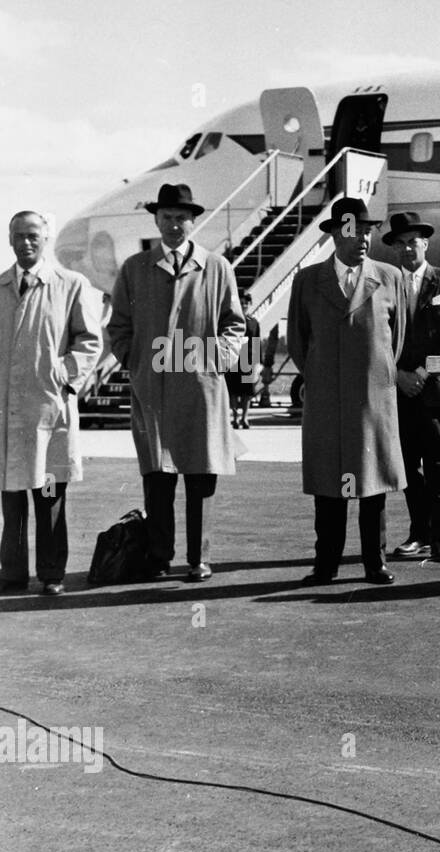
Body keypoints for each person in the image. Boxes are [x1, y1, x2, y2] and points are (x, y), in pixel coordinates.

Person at [107, 183, 243, 583]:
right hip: (153, 393)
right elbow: (118, 326)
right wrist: (136, 361)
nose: (174, 225)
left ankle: (199, 559)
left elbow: (234, 325)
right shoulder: (135, 268)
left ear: (193, 221)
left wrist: (217, 359)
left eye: (182, 218)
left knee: (201, 478)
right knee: (158, 479)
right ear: (156, 219)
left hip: (200, 391)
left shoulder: (217, 267)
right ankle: (159, 555)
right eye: (166, 217)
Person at [287, 197, 407, 585]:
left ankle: (376, 563)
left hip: (373, 398)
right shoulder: (307, 280)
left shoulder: (390, 277)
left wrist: (376, 373)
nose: (365, 238)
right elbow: (298, 341)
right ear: (337, 233)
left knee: (373, 486)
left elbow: (397, 339)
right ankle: (326, 565)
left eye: (369, 231)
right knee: (330, 487)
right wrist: (323, 379)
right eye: (357, 230)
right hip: (326, 401)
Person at [0, 211, 102, 596]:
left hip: (48, 412)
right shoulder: (1, 286)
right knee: (11, 501)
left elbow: (90, 341)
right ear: (10, 240)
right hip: (8, 415)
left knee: (48, 498)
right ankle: (11, 573)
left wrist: (63, 374)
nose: (26, 243)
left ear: (45, 240)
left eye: (33, 236)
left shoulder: (71, 284)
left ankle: (51, 573)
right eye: (18, 236)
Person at [383, 210, 440, 564]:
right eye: (399, 244)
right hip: (400, 394)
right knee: (407, 467)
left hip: (437, 395)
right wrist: (399, 374)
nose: (406, 249)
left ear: (425, 243)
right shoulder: (385, 284)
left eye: (412, 242)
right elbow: (379, 337)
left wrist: (420, 371)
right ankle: (418, 533)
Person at [226, 291, 259, 429]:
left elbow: (256, 342)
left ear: (250, 304)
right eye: (242, 302)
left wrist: (258, 363)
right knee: (233, 391)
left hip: (248, 358)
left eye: (246, 302)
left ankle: (245, 418)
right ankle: (235, 418)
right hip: (233, 357)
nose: (244, 305)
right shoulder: (231, 320)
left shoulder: (253, 322)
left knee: (247, 391)